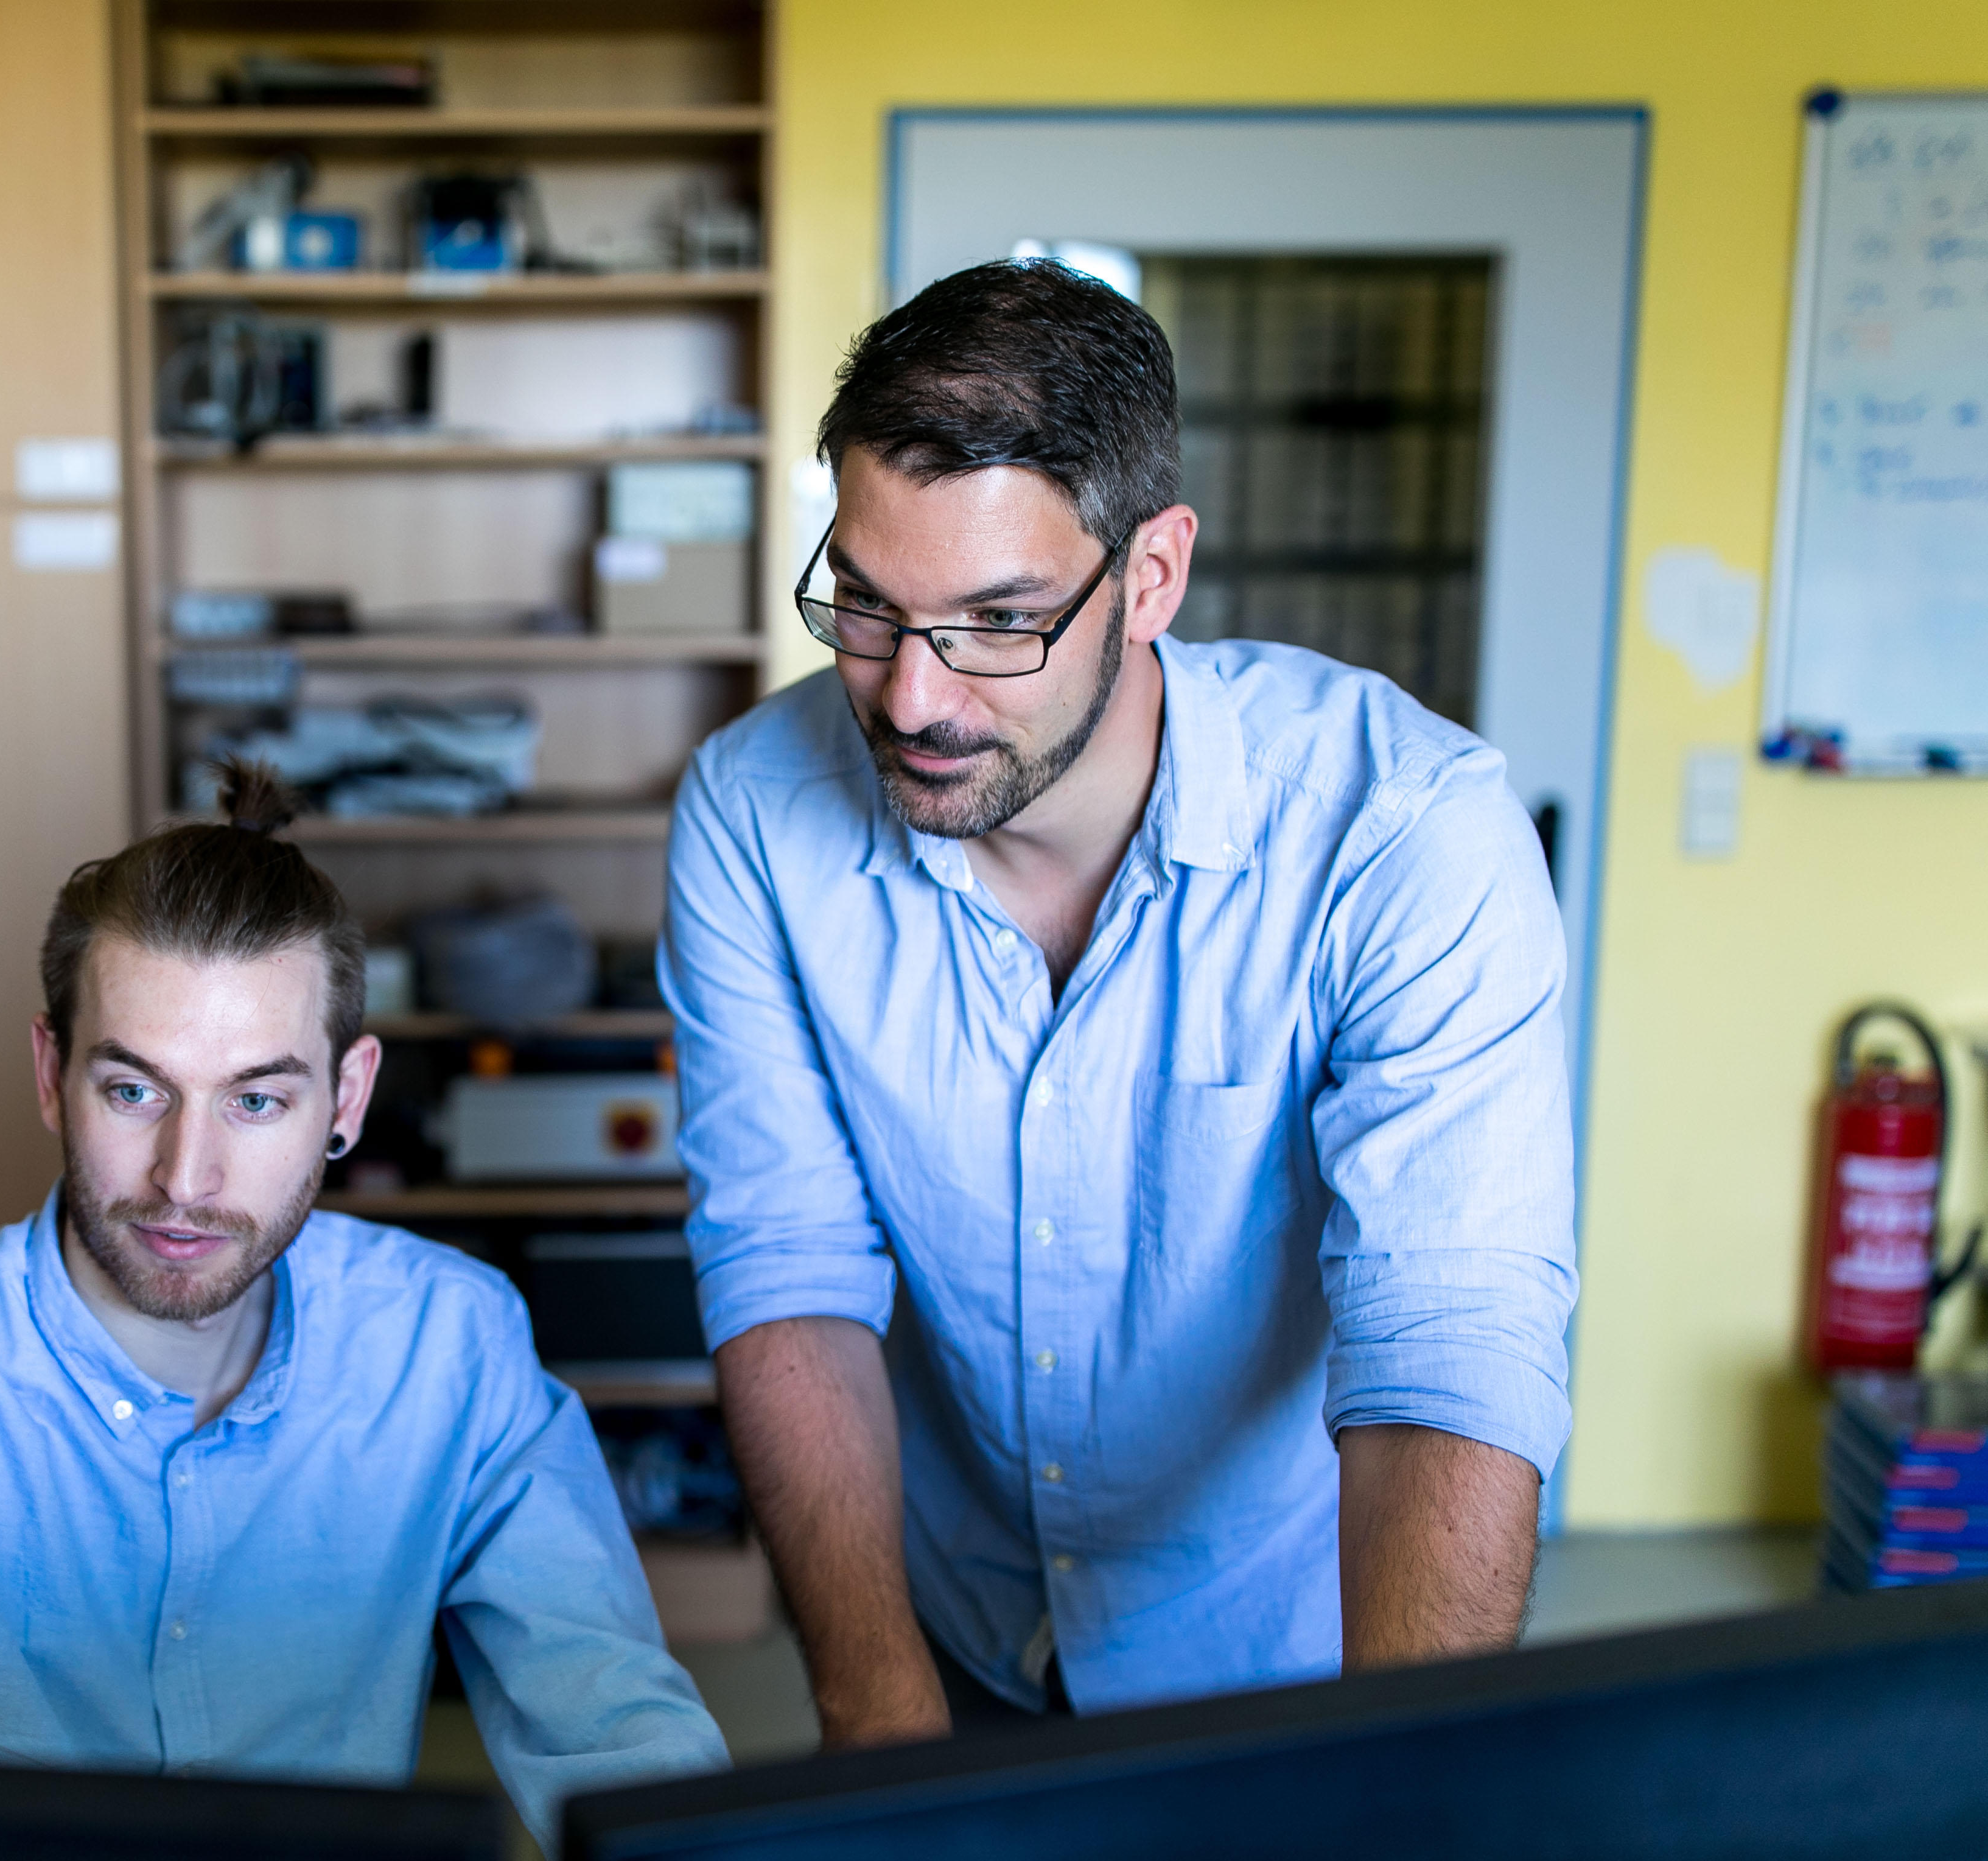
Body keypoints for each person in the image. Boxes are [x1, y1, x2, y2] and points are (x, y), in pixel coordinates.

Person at [663, 259, 1575, 1745]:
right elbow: (786, 1269)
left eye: (998, 619)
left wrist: (1412, 1795)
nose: (910, 698)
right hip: (947, 1623)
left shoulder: (1406, 831)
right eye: (869, 608)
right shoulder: (751, 812)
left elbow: (1446, 1337)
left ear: (1150, 576)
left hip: (1285, 1654)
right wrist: (875, 1712)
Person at [0, 765, 727, 1846]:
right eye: (131, 1088)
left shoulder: (446, 1347)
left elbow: (616, 1726)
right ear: (48, 1076)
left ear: (346, 1097)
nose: (183, 1176)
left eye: (255, 1102)